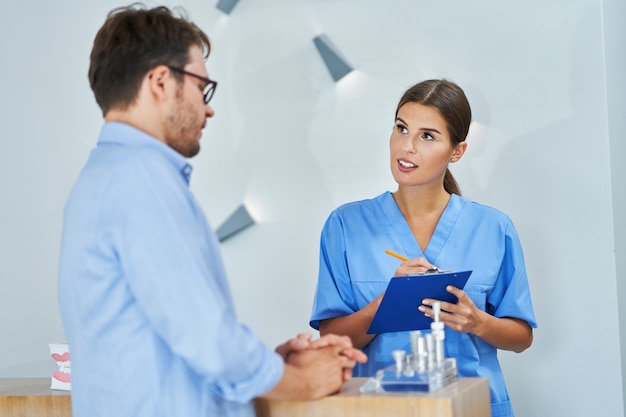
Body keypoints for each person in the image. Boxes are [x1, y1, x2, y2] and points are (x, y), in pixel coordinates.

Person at [57, 5, 366, 417]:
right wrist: (301, 381)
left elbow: (170, 339)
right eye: (203, 87)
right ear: (161, 82)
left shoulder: (103, 178)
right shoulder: (141, 182)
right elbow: (207, 339)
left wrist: (271, 367)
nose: (209, 108)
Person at [309, 79, 537, 417]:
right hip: (379, 406)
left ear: (457, 151)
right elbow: (332, 340)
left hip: (470, 406)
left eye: (427, 136)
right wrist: (387, 302)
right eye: (401, 128)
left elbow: (521, 336)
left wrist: (478, 322)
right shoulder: (345, 226)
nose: (407, 147)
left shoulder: (493, 228)